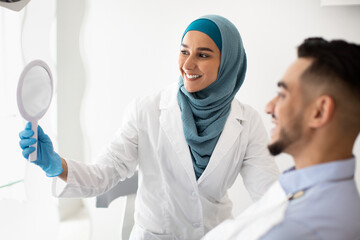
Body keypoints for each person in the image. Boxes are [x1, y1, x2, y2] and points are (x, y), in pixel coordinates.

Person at [19, 15, 279, 239]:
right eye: (184, 51)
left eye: (203, 55)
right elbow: (105, 174)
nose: (187, 65)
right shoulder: (146, 110)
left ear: (228, 63)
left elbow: (271, 196)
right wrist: (56, 165)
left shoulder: (248, 121)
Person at [203, 37, 360, 240]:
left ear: (319, 112)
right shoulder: (310, 190)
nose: (269, 107)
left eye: (282, 95)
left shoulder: (295, 229)